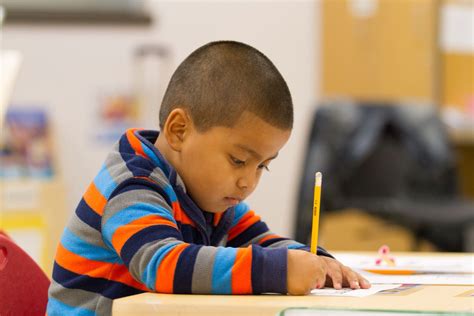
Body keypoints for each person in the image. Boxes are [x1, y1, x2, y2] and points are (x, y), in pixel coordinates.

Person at [47, 41, 370, 315]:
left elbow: (259, 240)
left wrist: (314, 262)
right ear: (179, 131)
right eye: (238, 160)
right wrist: (277, 271)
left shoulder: (208, 196)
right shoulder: (132, 187)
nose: (248, 182)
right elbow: (162, 264)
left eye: (262, 166)